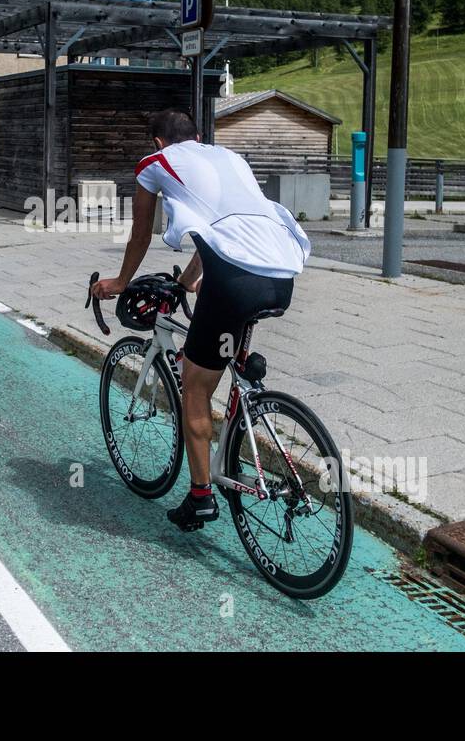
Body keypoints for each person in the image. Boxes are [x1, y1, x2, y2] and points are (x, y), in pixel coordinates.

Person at [91, 109, 311, 532]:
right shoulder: (230, 158)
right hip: (281, 274)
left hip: (234, 278)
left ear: (158, 143)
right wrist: (190, 281)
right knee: (226, 353)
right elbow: (220, 227)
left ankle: (200, 496)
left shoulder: (154, 164)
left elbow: (141, 233)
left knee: (195, 382)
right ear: (198, 136)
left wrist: (121, 281)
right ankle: (243, 406)